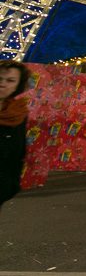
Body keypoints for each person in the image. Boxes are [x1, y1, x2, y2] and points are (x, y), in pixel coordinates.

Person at [0, 60, 31, 210]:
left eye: (10, 80)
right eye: (0, 79)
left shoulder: (18, 113)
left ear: (17, 86)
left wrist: (10, 186)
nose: (3, 84)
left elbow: (19, 151)